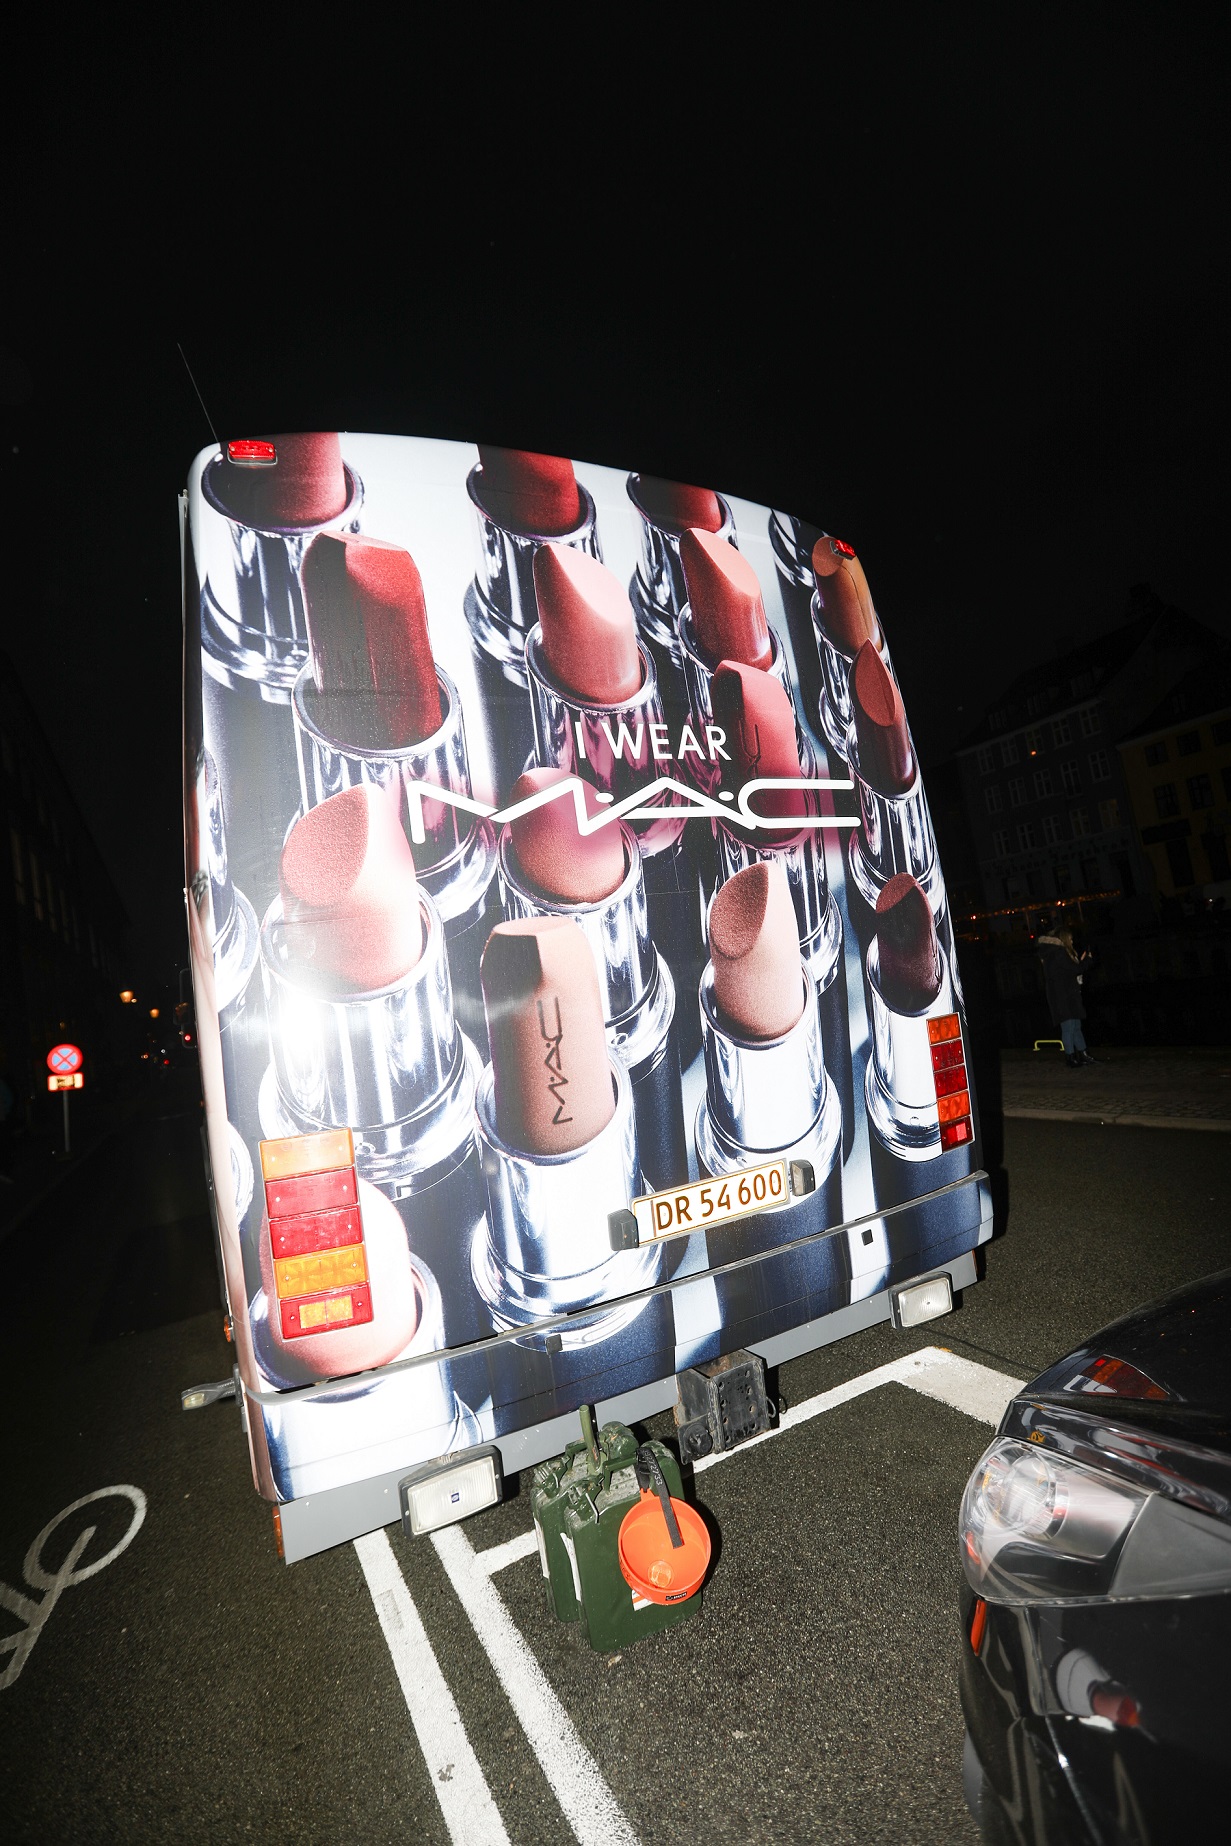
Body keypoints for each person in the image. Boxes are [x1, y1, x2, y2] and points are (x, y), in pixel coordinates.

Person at [1037, 919, 1094, 1068]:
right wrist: (1087, 961)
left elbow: (1068, 970)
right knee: (1069, 1027)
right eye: (1070, 938)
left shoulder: (1053, 953)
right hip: (1063, 996)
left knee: (1075, 1025)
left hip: (1065, 994)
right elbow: (1075, 970)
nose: (1072, 940)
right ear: (1064, 938)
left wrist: (1080, 962)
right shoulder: (1058, 953)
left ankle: (1082, 1054)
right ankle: (1071, 1057)